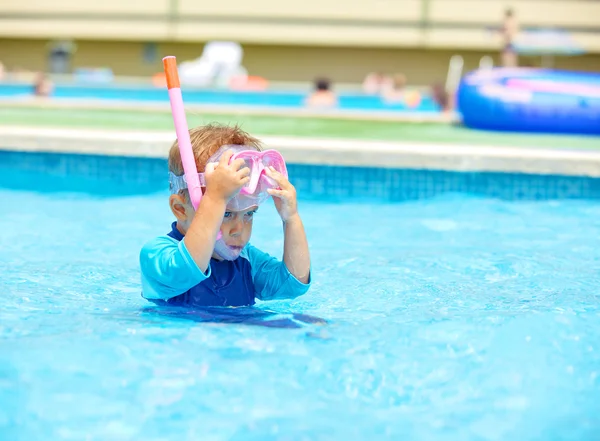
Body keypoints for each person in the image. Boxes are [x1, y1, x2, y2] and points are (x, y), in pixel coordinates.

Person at [139, 124, 311, 307]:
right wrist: (215, 199)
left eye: (249, 214)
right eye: (226, 213)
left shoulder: (246, 259)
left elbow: (293, 285)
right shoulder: (157, 253)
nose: (239, 230)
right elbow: (185, 271)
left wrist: (291, 218)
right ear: (180, 209)